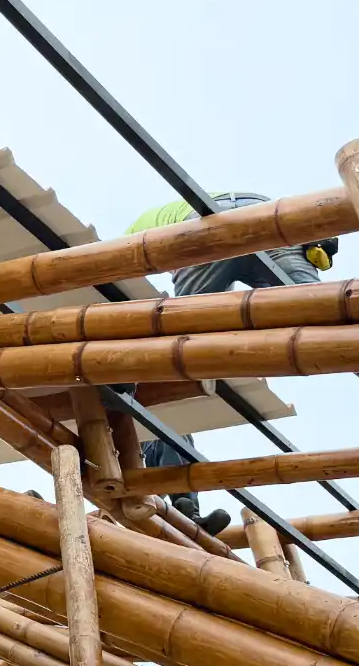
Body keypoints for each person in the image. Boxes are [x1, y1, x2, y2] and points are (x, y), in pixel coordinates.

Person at [122, 192, 344, 533]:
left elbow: (139, 297)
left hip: (205, 228)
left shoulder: (137, 244)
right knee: (317, 304)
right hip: (268, 218)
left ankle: (182, 500)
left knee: (176, 347)